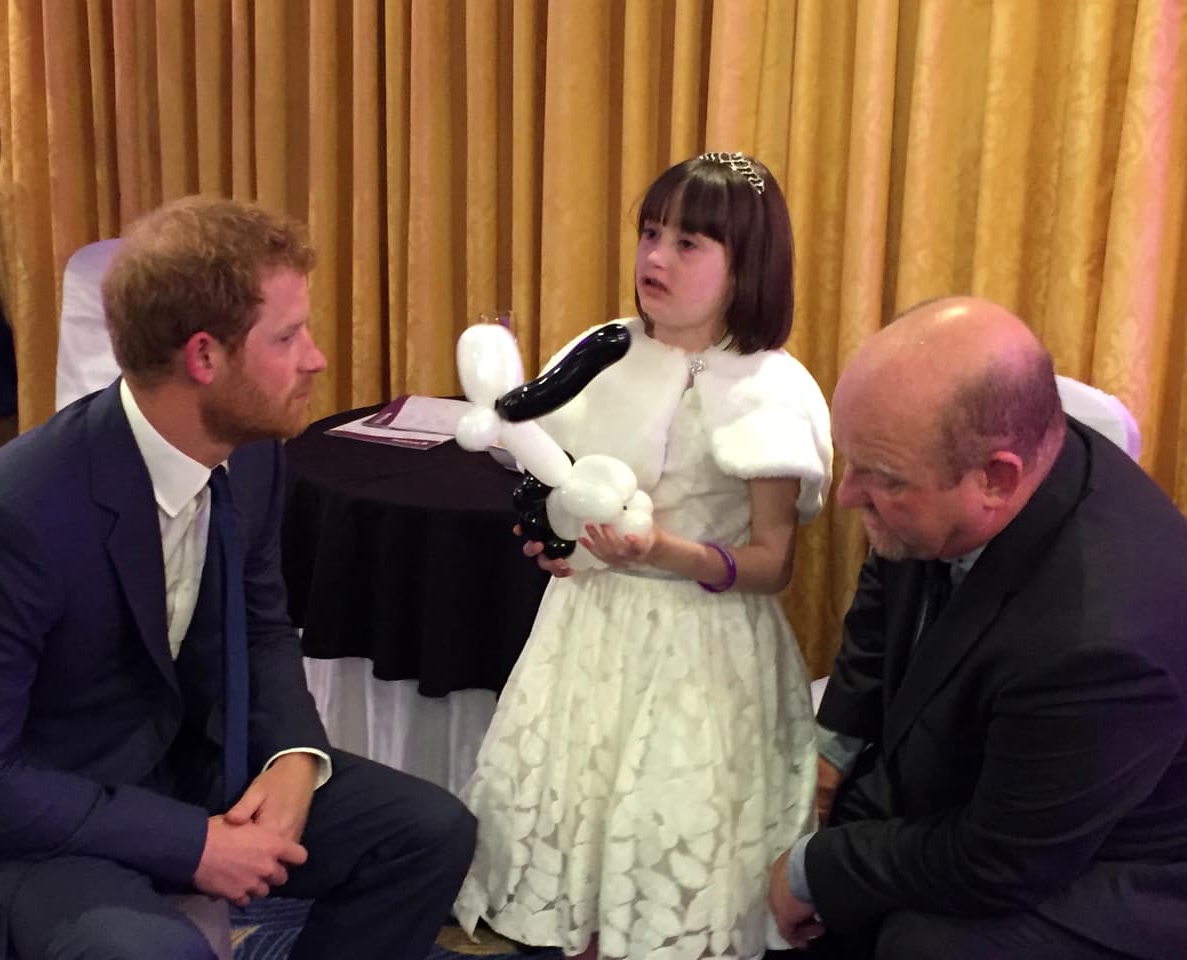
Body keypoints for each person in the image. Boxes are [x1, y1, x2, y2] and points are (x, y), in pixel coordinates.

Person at [0, 196, 476, 960]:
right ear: (204, 357)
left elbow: (261, 625)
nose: (316, 358)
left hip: (182, 765)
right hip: (39, 823)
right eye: (287, 336)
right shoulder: (6, 519)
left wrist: (293, 761)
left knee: (429, 834)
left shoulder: (254, 451)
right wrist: (192, 844)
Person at [454, 152, 833, 959]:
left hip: (703, 648)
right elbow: (545, 466)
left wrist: (664, 550)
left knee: (667, 822)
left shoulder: (770, 385)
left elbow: (774, 564)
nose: (655, 257)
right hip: (589, 630)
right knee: (580, 813)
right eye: (651, 233)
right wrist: (558, 541)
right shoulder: (604, 348)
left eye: (689, 243)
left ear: (747, 267)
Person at [767, 296, 1187, 959]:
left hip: (1115, 861)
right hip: (999, 767)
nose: (847, 496)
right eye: (850, 461)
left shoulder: (1099, 643)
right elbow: (887, 590)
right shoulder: (970, 456)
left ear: (996, 479)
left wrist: (815, 869)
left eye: (882, 480)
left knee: (919, 943)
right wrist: (833, 754)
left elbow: (1000, 861)